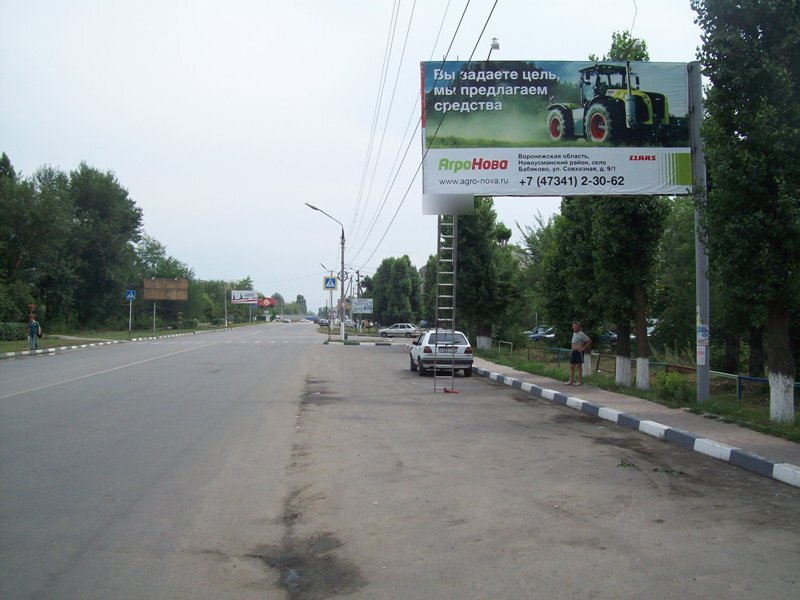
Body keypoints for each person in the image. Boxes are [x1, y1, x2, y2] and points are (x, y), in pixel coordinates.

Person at [566, 321, 591, 386]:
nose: (574, 328)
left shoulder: (581, 334)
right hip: (573, 352)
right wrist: (571, 351)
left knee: (579, 366)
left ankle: (579, 381)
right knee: (572, 366)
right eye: (573, 327)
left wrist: (583, 348)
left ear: (579, 327)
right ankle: (570, 381)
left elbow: (589, 341)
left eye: (576, 326)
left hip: (579, 352)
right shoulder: (574, 333)